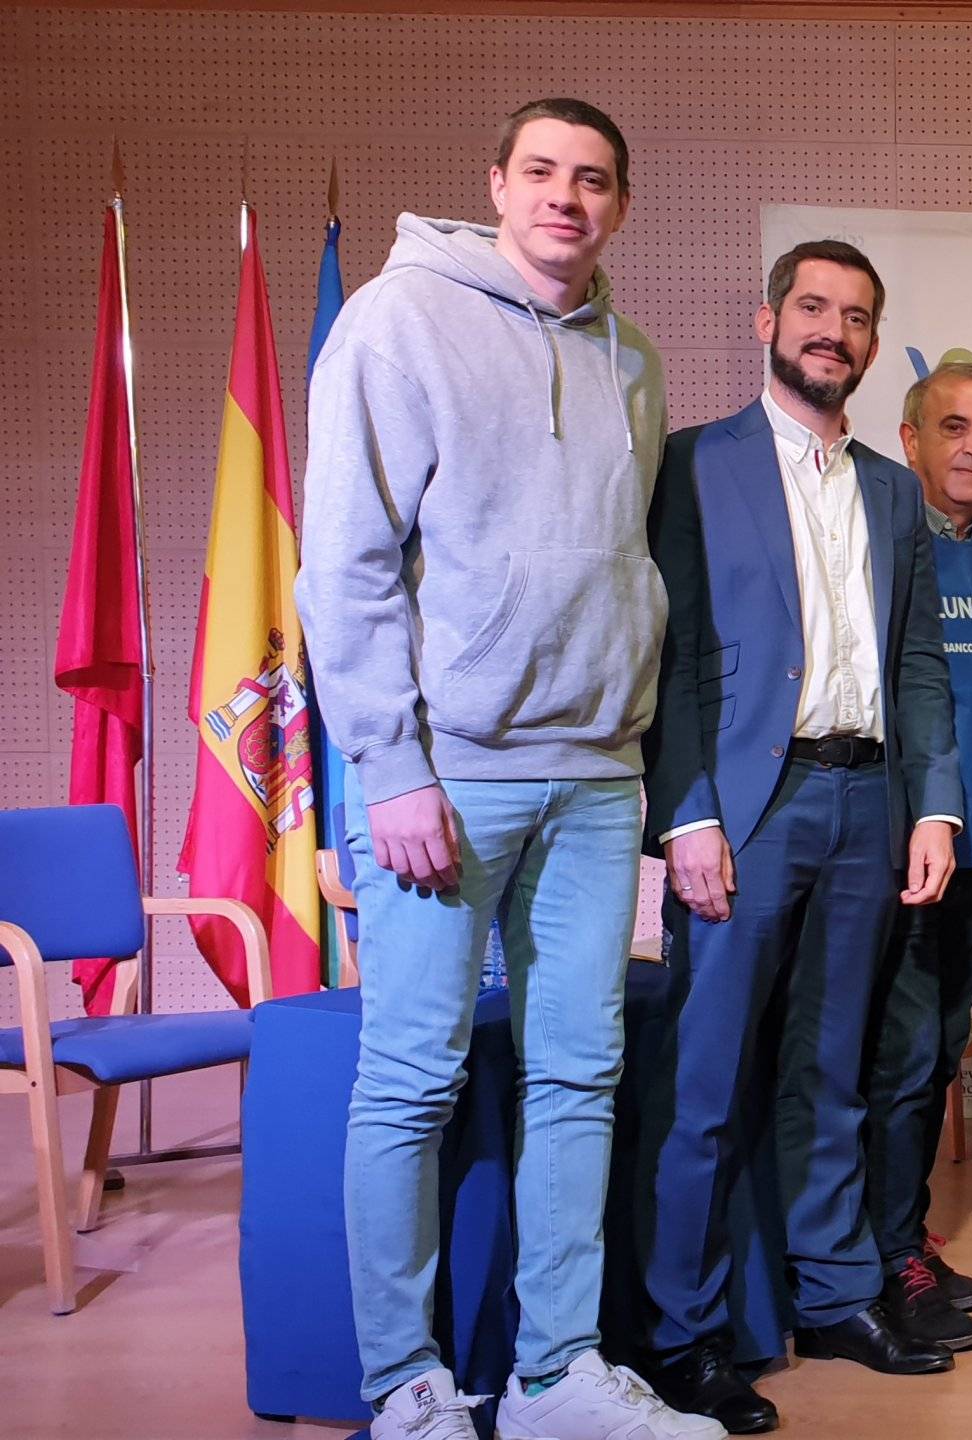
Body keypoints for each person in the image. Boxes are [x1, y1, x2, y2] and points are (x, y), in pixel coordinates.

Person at [299, 100, 719, 1440]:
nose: (566, 198)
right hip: (446, 775)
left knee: (578, 1077)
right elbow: (346, 566)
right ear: (496, 185)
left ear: (620, 207)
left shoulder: (635, 359)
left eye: (594, 180)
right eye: (541, 173)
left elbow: (620, 569)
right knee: (412, 1076)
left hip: (598, 781)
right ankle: (404, 1389)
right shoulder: (398, 318)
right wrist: (392, 769)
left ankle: (556, 1377)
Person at [636, 238, 967, 1432]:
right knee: (707, 1084)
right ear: (768, 318)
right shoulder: (691, 465)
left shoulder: (893, 489)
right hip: (745, 813)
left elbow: (919, 662)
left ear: (876, 344)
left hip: (864, 804)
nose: (833, 329)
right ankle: (684, 1334)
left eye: (857, 315)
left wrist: (932, 801)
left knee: (833, 1078)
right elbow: (664, 658)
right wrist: (685, 812)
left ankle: (833, 1297)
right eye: (814, 307)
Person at [862, 360, 972, 1352]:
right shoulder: (881, 540)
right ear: (912, 436)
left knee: (930, 1060)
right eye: (953, 427)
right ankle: (879, 1254)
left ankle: (905, 1234)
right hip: (892, 848)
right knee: (890, 1056)